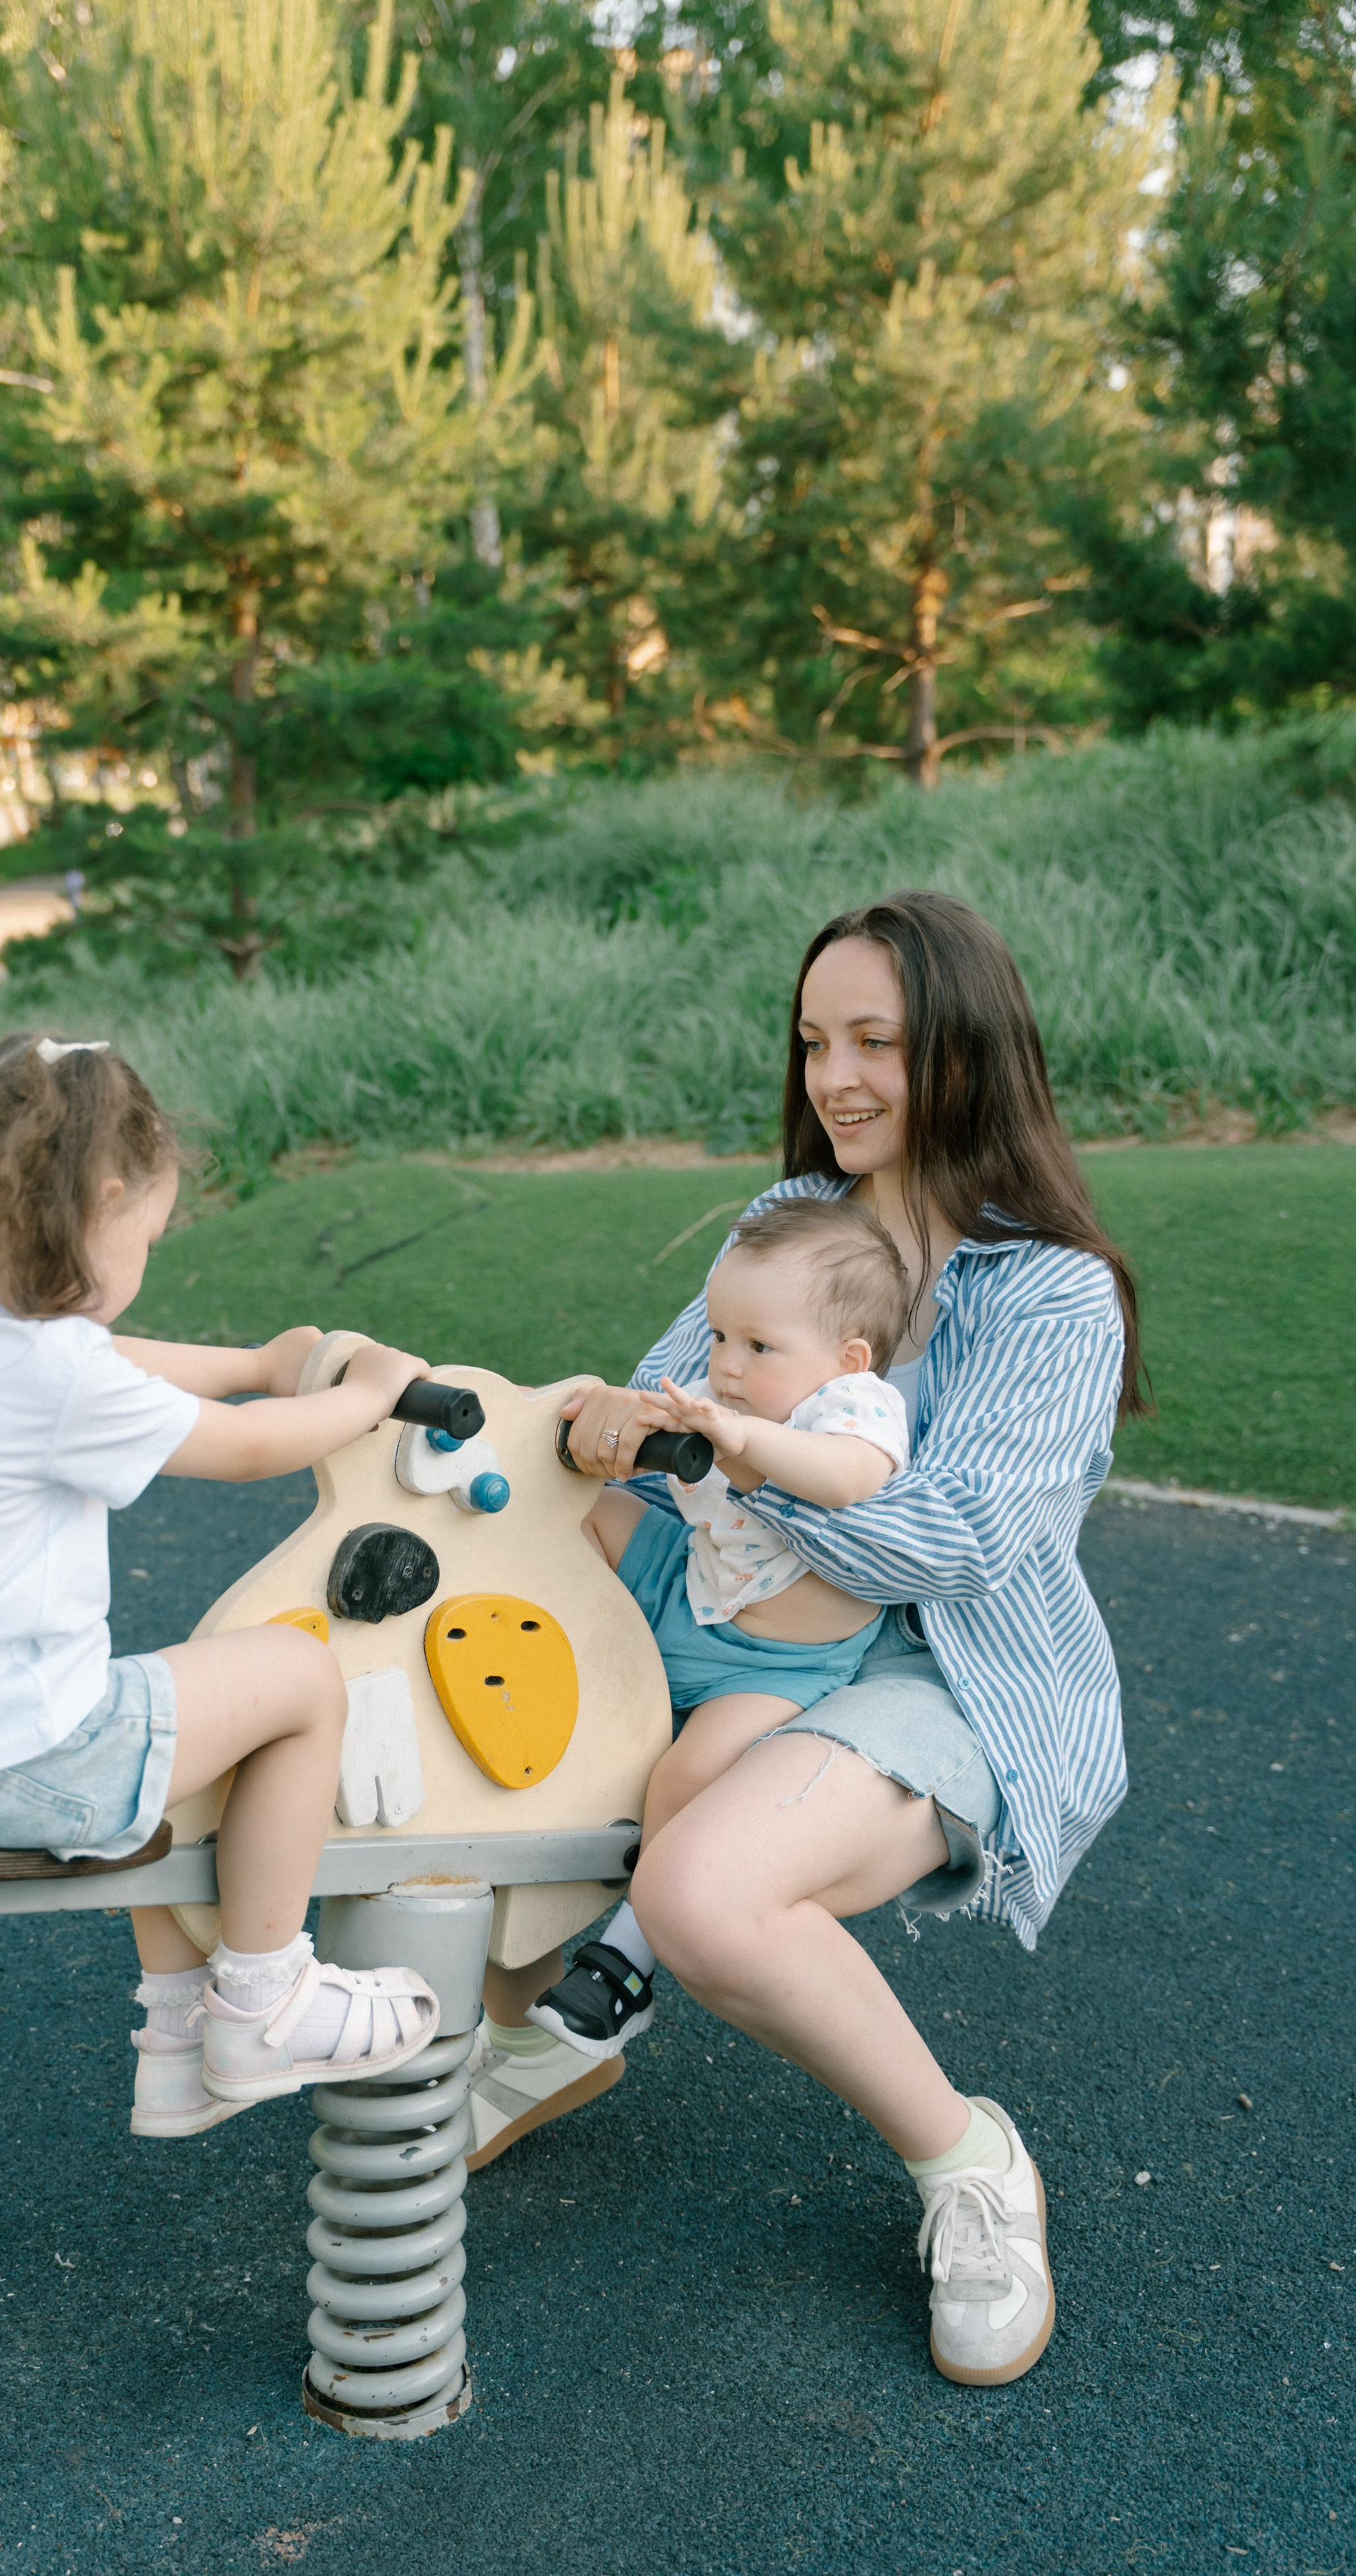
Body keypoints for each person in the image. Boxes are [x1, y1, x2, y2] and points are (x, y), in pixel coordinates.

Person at [477, 891, 1141, 2387]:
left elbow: (962, 1542)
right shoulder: (785, 1231)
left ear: (962, 1053)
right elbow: (662, 1414)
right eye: (812, 1041)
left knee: (708, 1891)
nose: (834, 1077)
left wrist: (739, 1460)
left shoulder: (1048, 1290)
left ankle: (965, 2160)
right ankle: (537, 2030)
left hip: (940, 1669)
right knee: (468, 1694)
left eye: (875, 1043)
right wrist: (607, 1431)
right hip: (730, 1626)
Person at [0, 1021, 441, 2142]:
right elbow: (245, 1449)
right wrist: (365, 1394)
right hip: (3, 1763)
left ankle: (180, 2040)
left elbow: (106, 1361)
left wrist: (254, 1364)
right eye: (150, 1236)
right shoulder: (43, 1373)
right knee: (297, 1679)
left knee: (172, 1708)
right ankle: (269, 1992)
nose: (143, 1268)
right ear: (108, 1199)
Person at [527, 1198, 912, 2061]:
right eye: (721, 1338)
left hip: (772, 1663)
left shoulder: (854, 1409)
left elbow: (848, 1480)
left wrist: (745, 1440)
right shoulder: (721, 1395)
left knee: (689, 1773)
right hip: (689, 1587)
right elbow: (654, 1444)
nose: (728, 1366)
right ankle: (561, 1657)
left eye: (758, 1347)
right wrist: (622, 1418)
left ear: (846, 1359)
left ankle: (626, 1958)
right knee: (587, 1511)